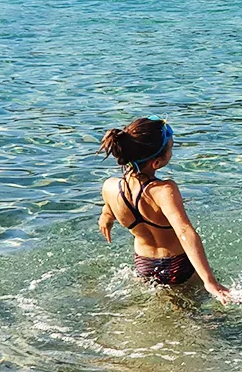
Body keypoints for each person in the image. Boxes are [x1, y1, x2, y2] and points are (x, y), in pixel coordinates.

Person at [97, 117, 232, 304]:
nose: (172, 151)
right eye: (171, 149)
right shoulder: (164, 190)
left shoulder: (110, 187)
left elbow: (108, 212)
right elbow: (184, 231)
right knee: (195, 315)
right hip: (176, 264)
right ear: (157, 163)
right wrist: (210, 281)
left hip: (144, 265)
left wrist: (106, 220)